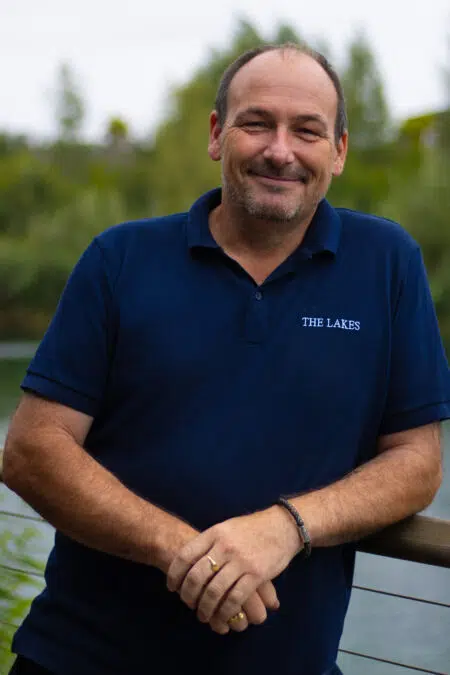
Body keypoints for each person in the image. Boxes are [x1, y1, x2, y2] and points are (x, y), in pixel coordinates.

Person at [3, 42, 450, 675]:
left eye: (307, 131)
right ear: (217, 134)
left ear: (339, 151)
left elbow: (417, 464)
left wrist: (285, 528)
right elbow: (33, 450)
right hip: (79, 660)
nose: (280, 150)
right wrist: (186, 553)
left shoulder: (387, 264)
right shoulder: (120, 259)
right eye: (257, 123)